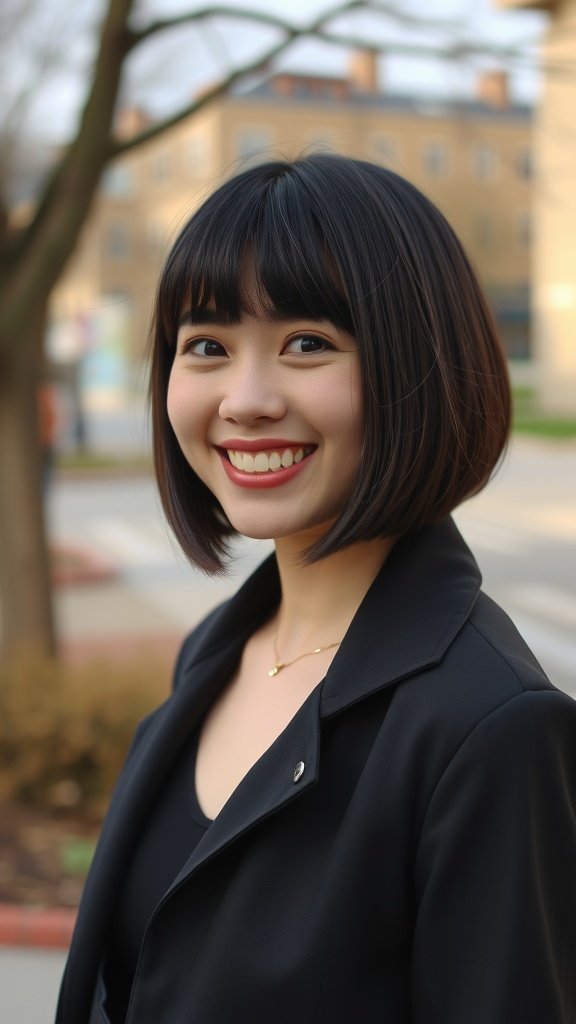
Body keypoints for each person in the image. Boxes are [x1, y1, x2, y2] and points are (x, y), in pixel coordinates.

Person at [56, 154, 576, 1024]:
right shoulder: (219, 649)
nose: (246, 400)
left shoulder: (489, 728)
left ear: (421, 365)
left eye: (308, 344)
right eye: (207, 347)